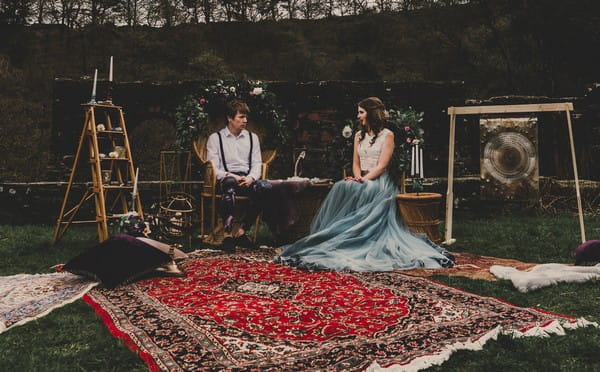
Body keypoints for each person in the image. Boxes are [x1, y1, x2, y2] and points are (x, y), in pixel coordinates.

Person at [277, 97, 454, 271]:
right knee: (343, 186)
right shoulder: (358, 136)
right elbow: (355, 162)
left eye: (361, 112)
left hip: (379, 181)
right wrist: (357, 177)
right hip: (361, 177)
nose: (358, 116)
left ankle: (361, 236)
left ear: (371, 114)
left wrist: (365, 179)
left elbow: (382, 165)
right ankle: (341, 235)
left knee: (366, 188)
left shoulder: (387, 135)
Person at [206, 100, 270, 252]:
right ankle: (227, 236)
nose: (245, 121)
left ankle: (242, 232)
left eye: (246, 117)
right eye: (241, 117)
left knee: (265, 188)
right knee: (228, 184)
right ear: (230, 118)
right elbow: (214, 168)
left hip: (247, 179)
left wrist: (251, 178)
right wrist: (232, 176)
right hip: (226, 178)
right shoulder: (216, 138)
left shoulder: (252, 138)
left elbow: (257, 163)